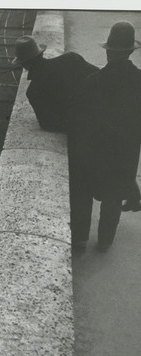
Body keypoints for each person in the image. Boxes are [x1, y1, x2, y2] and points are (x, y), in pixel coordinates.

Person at [13, 36, 102, 250]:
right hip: (97, 126)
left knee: (80, 187)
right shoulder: (70, 59)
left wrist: (71, 121)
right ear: (41, 53)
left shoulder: (33, 92)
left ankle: (80, 237)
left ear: (24, 65)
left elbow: (47, 124)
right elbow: (98, 78)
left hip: (76, 136)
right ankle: (107, 233)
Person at [70, 21, 141, 251]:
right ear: (130, 51)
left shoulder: (94, 82)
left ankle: (80, 237)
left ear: (109, 51)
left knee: (84, 191)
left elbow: (80, 121)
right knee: (113, 199)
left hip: (95, 152)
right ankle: (105, 241)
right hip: (125, 154)